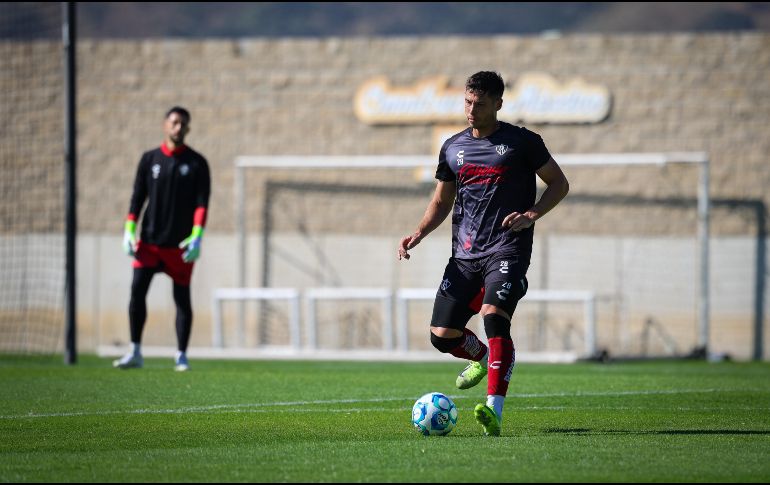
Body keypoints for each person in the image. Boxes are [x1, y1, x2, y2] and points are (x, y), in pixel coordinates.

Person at [397, 71, 569, 436]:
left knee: (493, 317)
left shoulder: (523, 142)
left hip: (507, 249)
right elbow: (441, 200)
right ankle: (483, 356)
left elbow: (559, 183)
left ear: (498, 104)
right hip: (464, 256)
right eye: (467, 102)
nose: (471, 110)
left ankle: (494, 410)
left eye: (480, 104)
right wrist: (419, 232)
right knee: (442, 336)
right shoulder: (452, 147)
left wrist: (531, 214)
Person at [113, 106, 211, 371]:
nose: (178, 128)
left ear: (188, 129)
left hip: (179, 247)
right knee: (137, 292)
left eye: (183, 124)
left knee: (182, 300)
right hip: (149, 244)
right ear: (165, 125)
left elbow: (202, 204)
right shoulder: (149, 159)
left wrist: (197, 236)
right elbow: (137, 198)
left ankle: (181, 355)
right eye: (174, 122)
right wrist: (129, 230)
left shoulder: (197, 163)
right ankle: (135, 351)